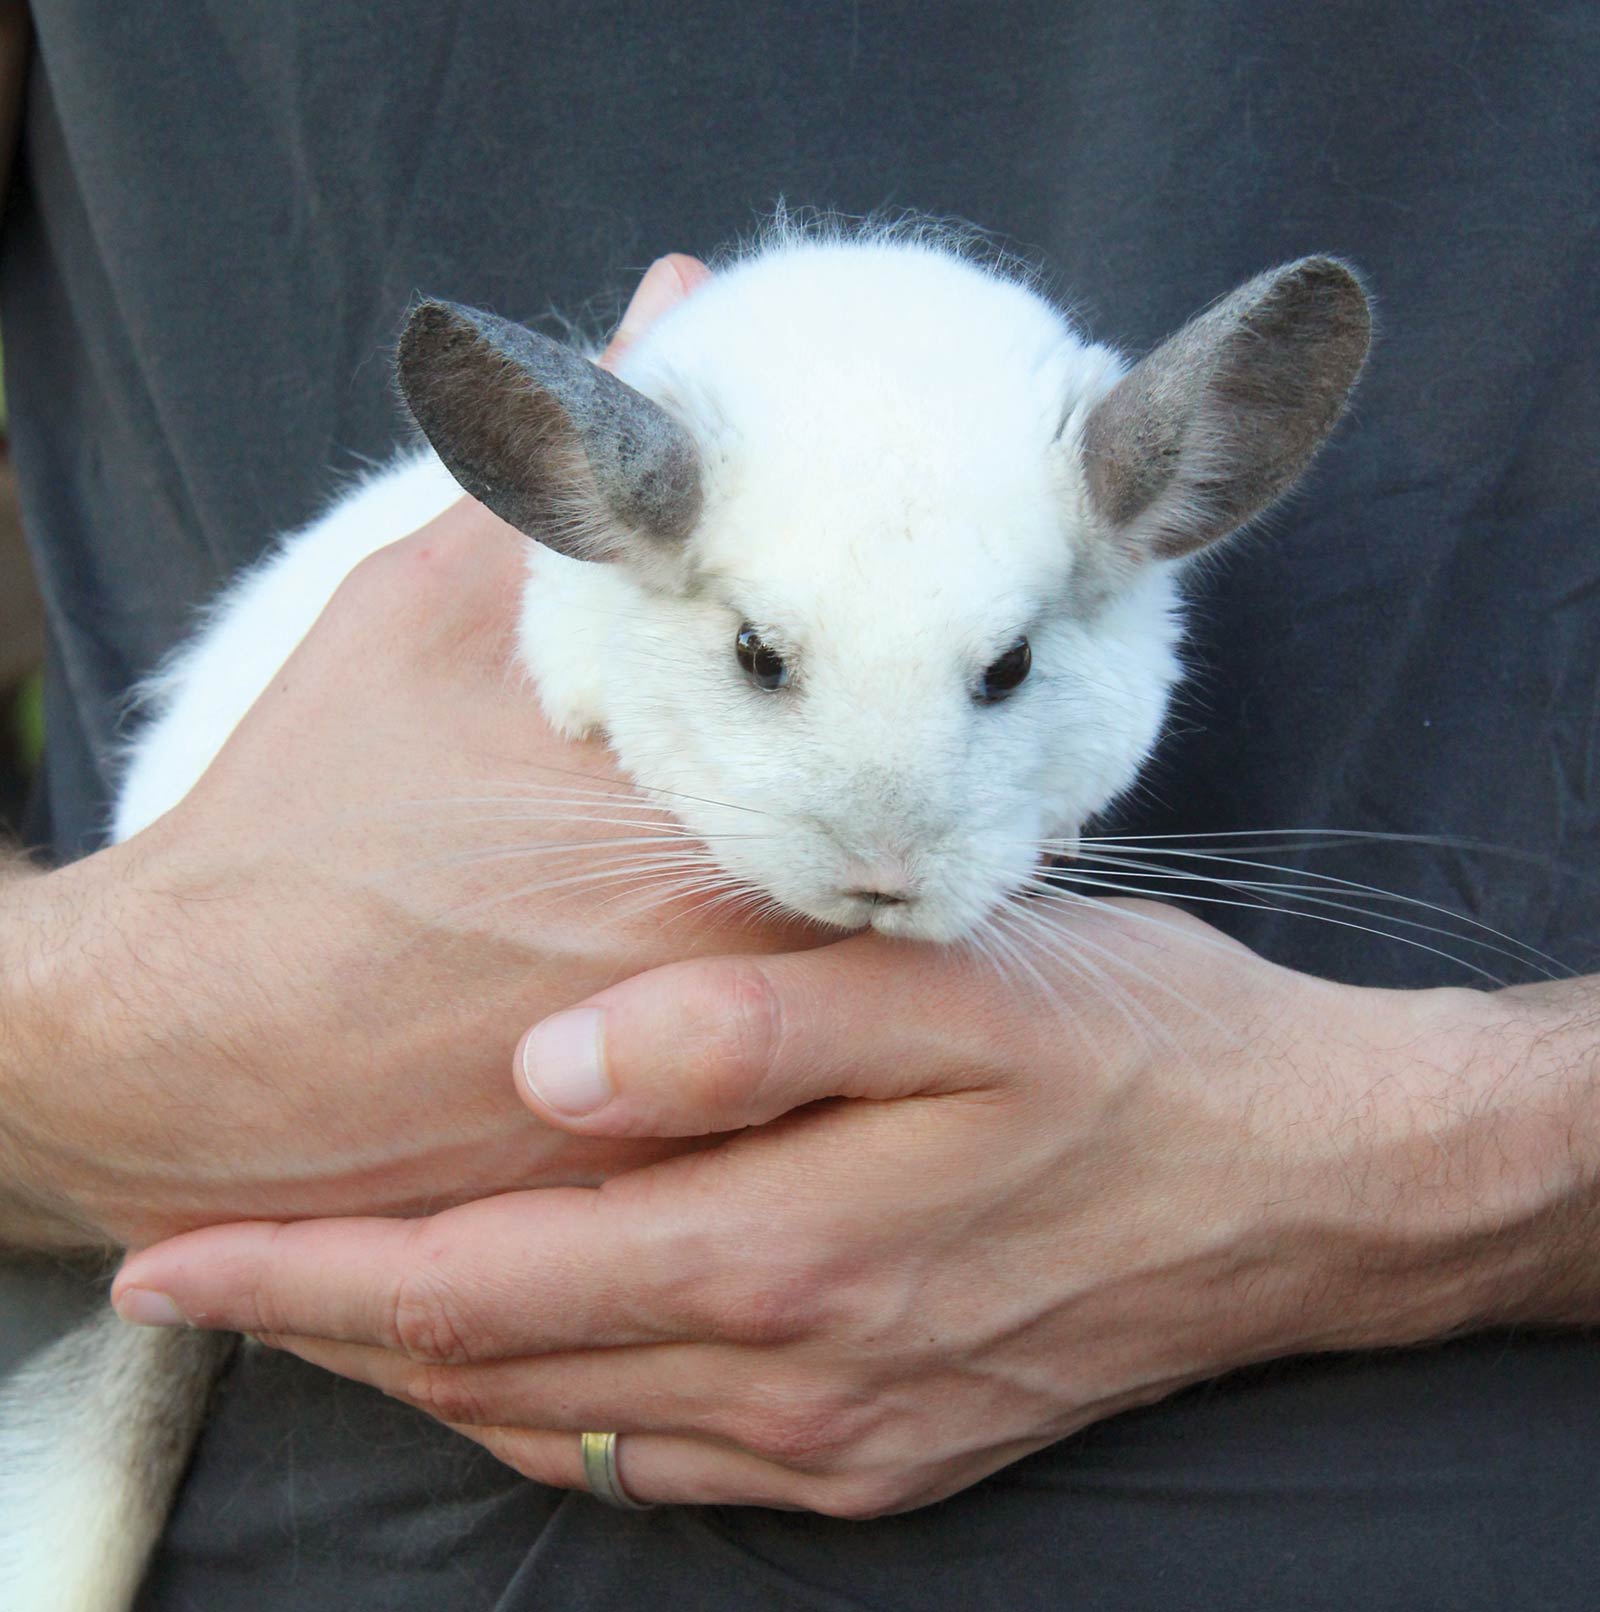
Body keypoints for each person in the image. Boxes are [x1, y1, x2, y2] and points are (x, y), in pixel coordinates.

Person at [3, 3, 1597, 1607]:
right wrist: (115, 1039)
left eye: (1001, 672)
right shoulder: (675, 489)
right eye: (763, 656)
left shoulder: (1058, 511)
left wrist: (1391, 1166)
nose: (886, 862)